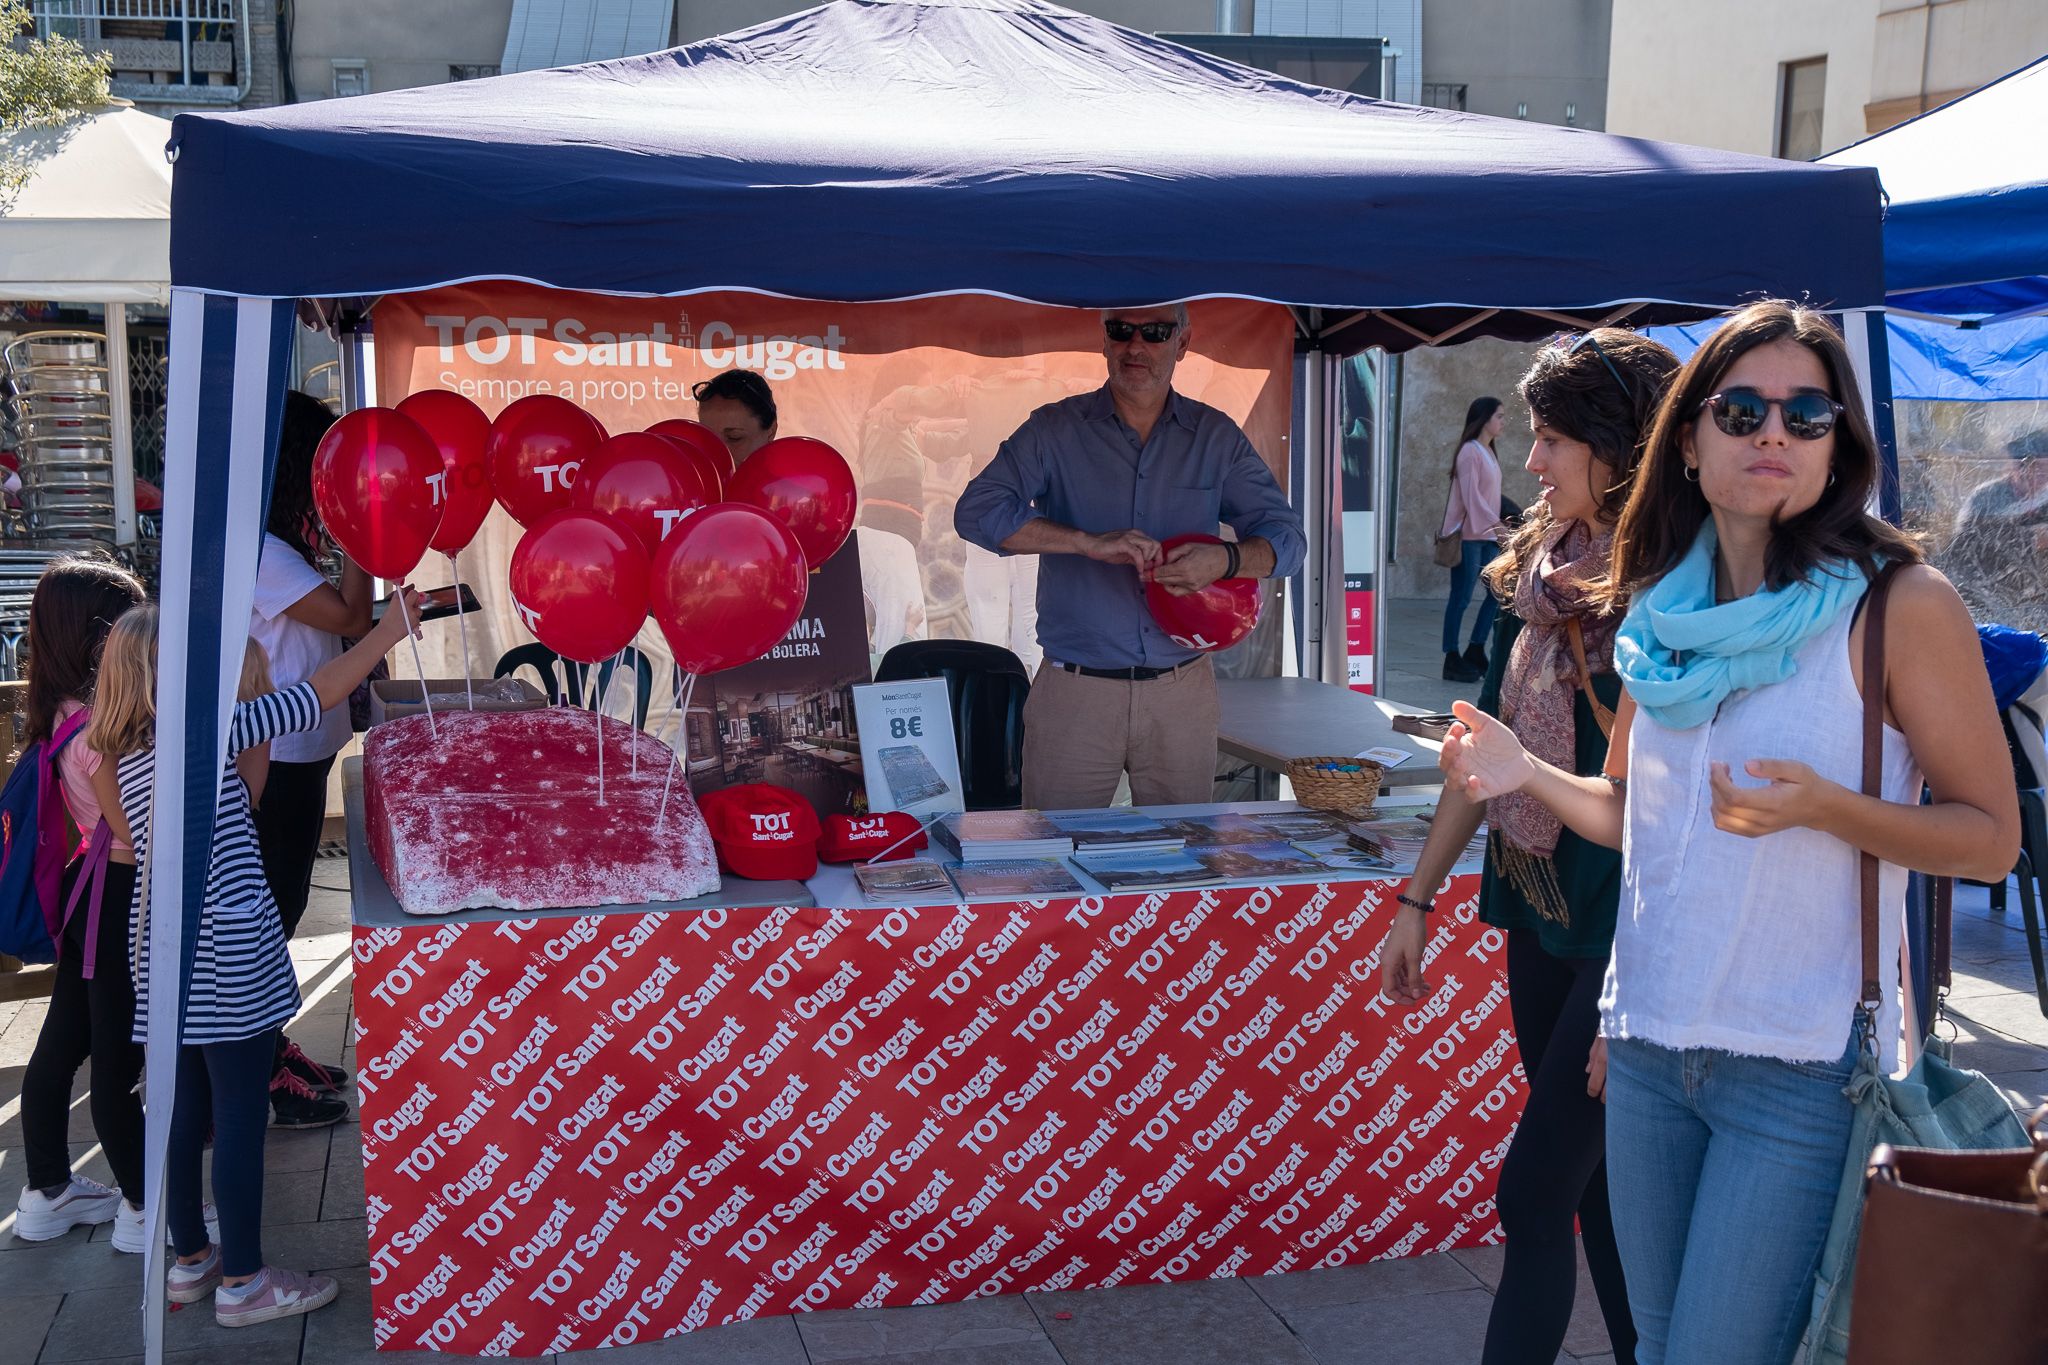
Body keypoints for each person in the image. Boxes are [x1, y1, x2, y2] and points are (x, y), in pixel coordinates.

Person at [1437, 301, 2018, 1365]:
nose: (1773, 434)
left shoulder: (1894, 604)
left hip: (1796, 1066)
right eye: (1742, 409)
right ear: (1689, 441)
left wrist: (1825, 808)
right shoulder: (1660, 608)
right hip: (1653, 1048)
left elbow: (1988, 840)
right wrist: (1523, 775)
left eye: (1807, 415)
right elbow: (1631, 818)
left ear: (1838, 442)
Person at [1381, 329, 1677, 1365]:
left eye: (1553, 439)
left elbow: (1653, 817)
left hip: (1619, 938)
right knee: (1588, 1194)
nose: (1531, 462)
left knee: (1531, 1192)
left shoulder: (1667, 602)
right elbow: (1483, 755)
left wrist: (1630, 996)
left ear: (1622, 448)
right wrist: (1416, 900)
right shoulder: (1546, 568)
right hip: (1536, 909)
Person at [91, 587, 424, 1327]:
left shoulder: (118, 760)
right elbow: (322, 693)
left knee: (177, 1107)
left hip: (163, 949)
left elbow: (170, 829)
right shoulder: (213, 731)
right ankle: (244, 1280)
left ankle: (190, 1256)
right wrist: (389, 629)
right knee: (241, 1112)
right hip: (227, 947)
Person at [953, 303, 1306, 809]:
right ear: (1103, 340)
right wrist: (1086, 542)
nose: (1135, 346)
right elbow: (977, 511)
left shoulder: (1215, 437)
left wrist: (1224, 560)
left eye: (1155, 332)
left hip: (1180, 691)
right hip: (1075, 693)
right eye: (1121, 331)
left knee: (1183, 860)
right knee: (1057, 862)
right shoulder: (1056, 429)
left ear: (1182, 343)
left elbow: (1288, 540)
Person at [13, 556, 149, 1250]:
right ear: (99, 636)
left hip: (79, 889)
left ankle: (45, 1188)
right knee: (116, 1056)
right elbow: (132, 831)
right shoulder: (103, 725)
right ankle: (143, 1206)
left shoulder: (56, 711)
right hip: (114, 892)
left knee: (64, 1040)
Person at [250, 390, 365, 1128]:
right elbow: (350, 615)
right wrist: (360, 536)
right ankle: (255, 1065)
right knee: (274, 910)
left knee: (283, 906)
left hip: (304, 748)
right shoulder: (258, 549)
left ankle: (266, 1044)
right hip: (280, 755)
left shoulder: (279, 544)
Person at [1944, 427, 2048, 629]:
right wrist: (2030, 538)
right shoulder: (1987, 497)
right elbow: (1964, 546)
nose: (2043, 478)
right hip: (1990, 595)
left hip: (2038, 596)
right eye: (2039, 470)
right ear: (2020, 468)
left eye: (2047, 471)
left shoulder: (2045, 497)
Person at [1441, 396, 1508, 682]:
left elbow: (1490, 497)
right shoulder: (1470, 451)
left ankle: (1476, 647)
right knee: (1461, 597)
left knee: (1496, 593)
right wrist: (1497, 525)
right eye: (1500, 416)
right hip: (1469, 536)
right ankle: (1451, 657)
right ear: (1485, 419)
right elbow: (1472, 499)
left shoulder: (1488, 451)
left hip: (1488, 535)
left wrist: (1498, 525)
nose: (1503, 421)